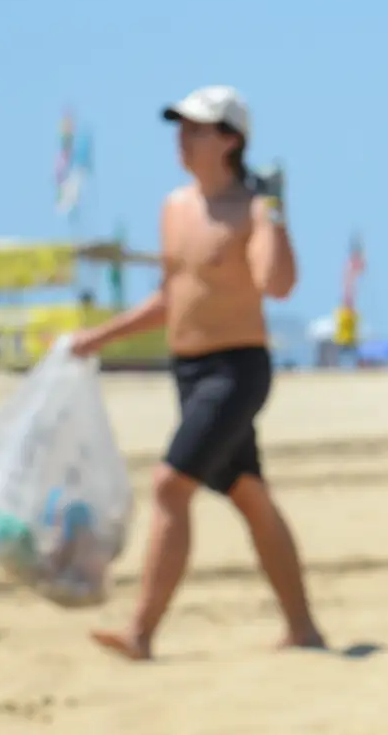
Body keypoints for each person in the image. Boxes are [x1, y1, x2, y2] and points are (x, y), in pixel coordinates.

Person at [70, 85, 325, 661]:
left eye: (196, 129)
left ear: (230, 140)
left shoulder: (252, 210)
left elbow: (277, 283)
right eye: (179, 128)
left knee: (170, 485)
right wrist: (98, 339)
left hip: (237, 371)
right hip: (187, 370)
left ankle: (140, 633)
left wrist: (275, 213)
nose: (182, 140)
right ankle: (303, 629)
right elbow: (173, 296)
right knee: (250, 495)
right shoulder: (174, 207)